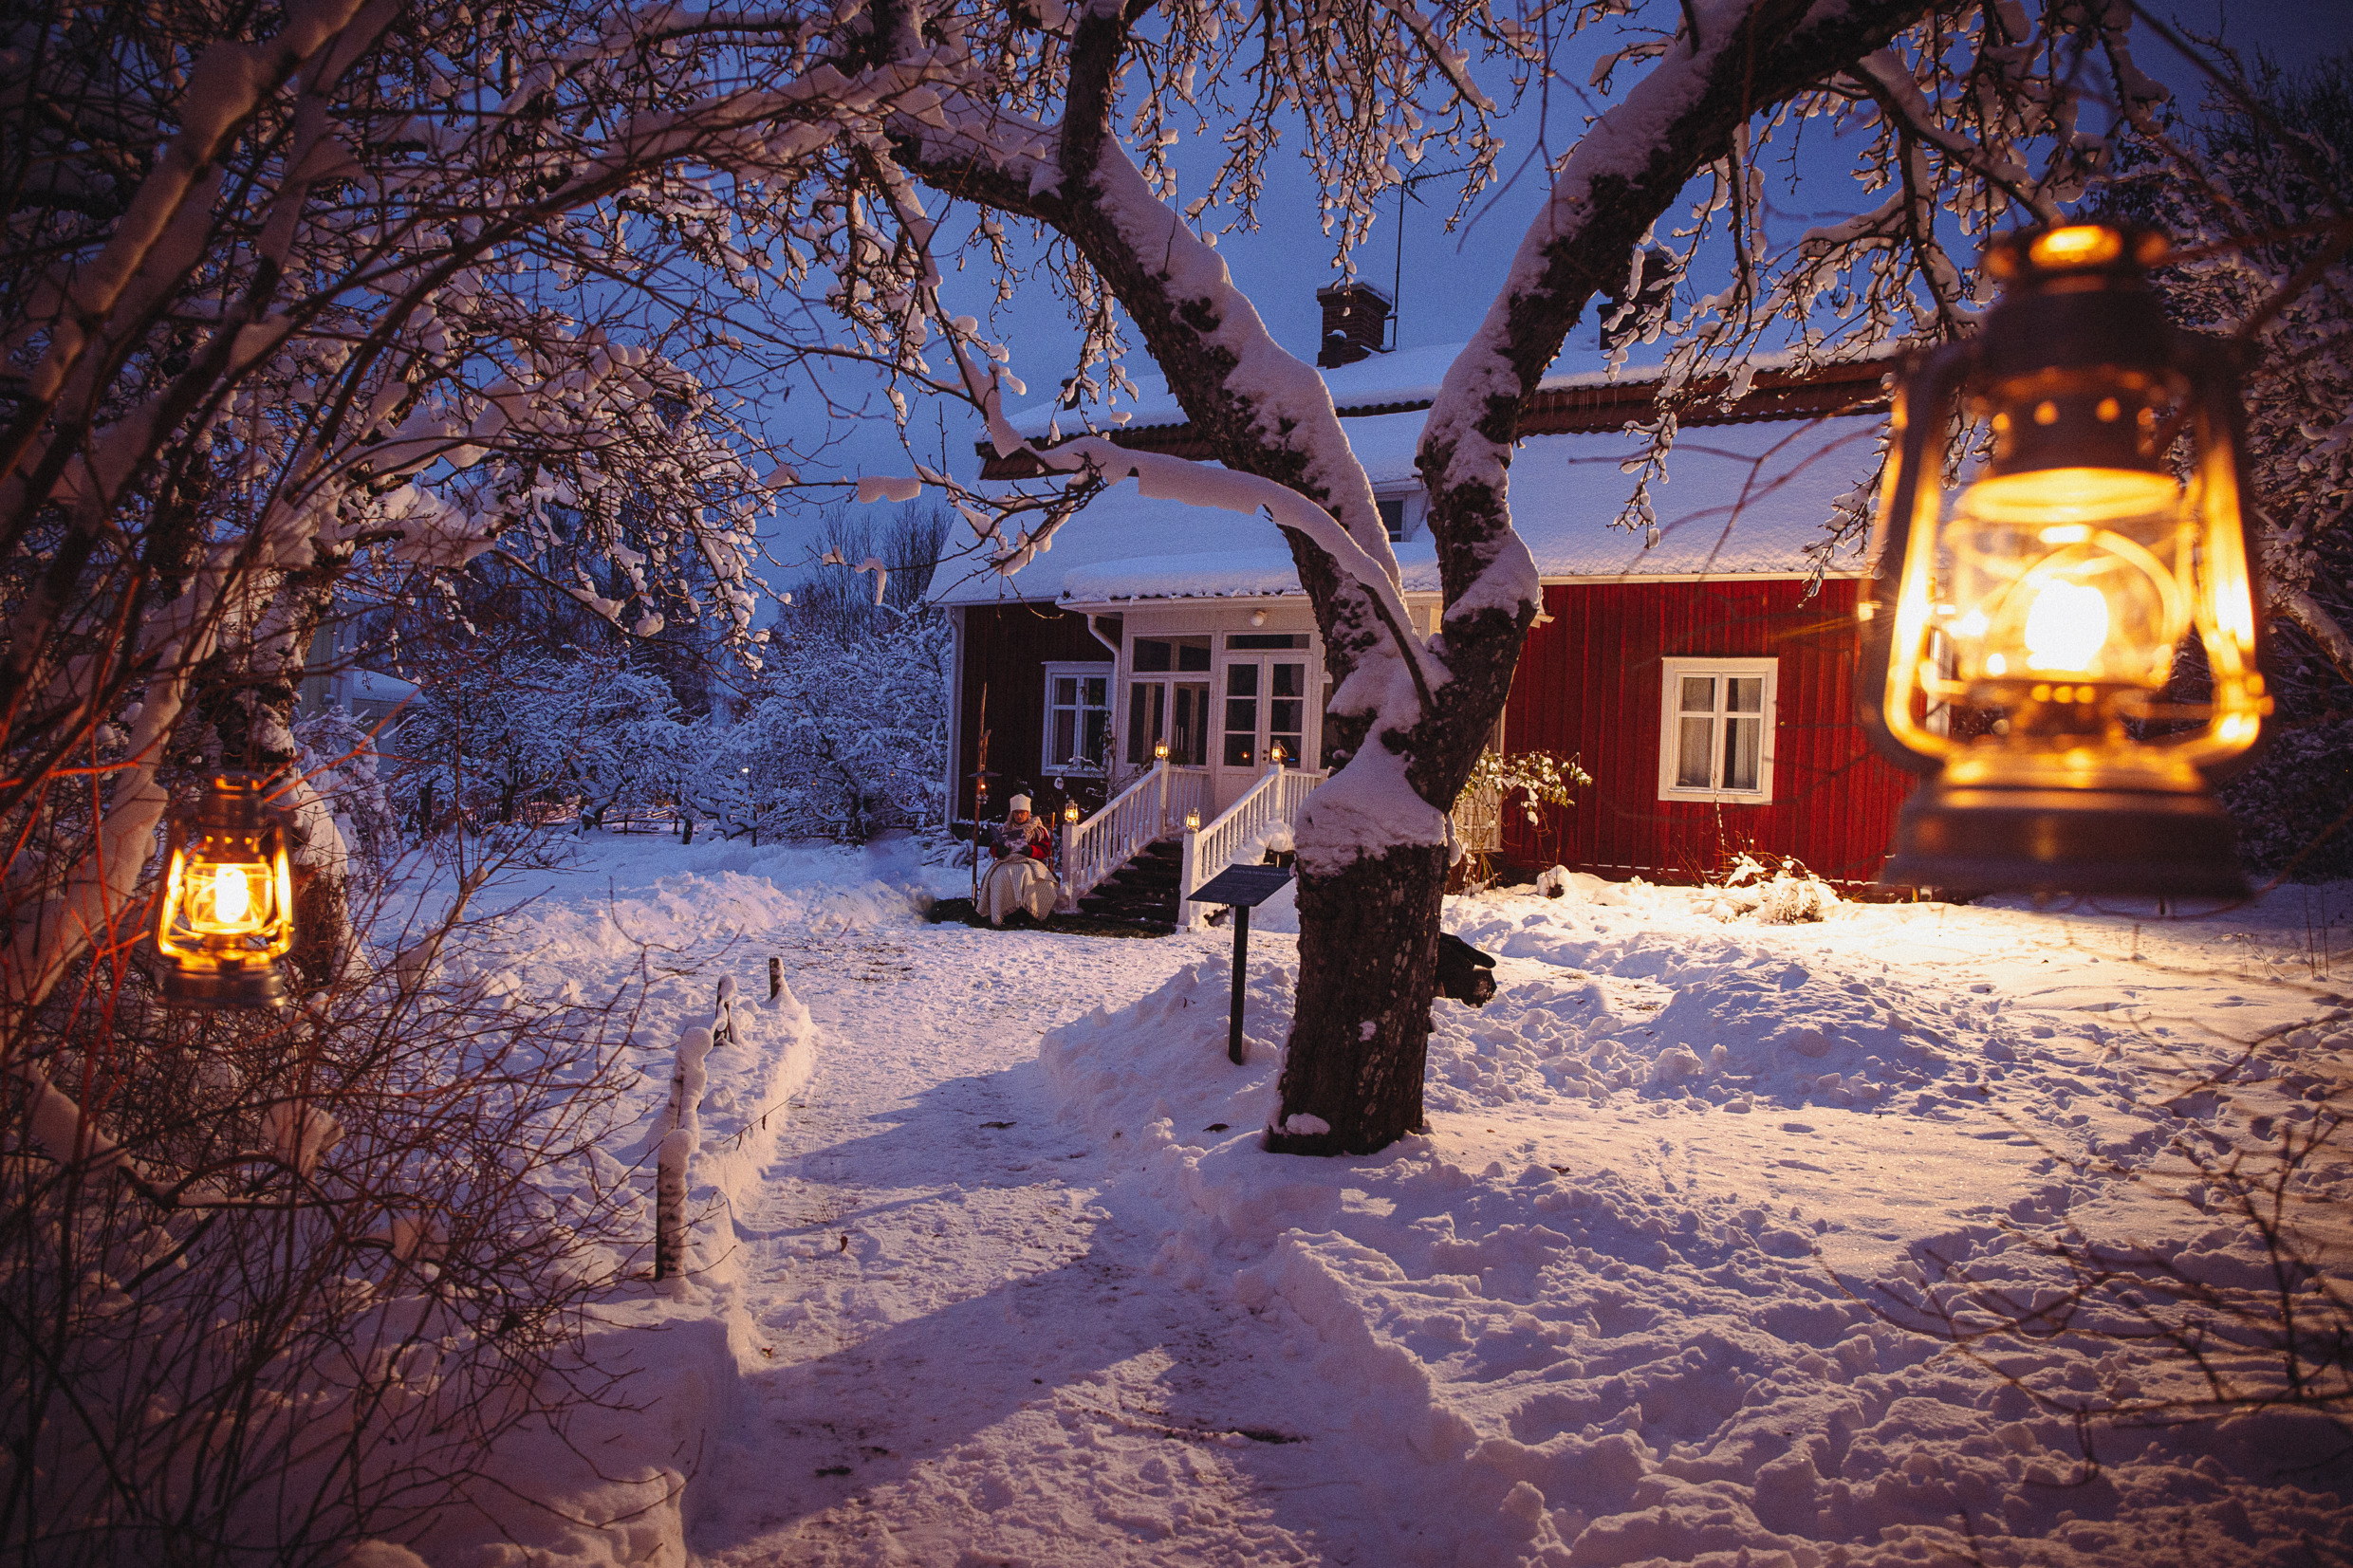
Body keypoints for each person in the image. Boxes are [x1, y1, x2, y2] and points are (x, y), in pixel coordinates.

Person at [978, 795, 1059, 925]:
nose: (1019, 816)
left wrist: (1032, 850)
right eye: (1016, 813)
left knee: (1027, 876)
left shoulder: (1038, 830)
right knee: (998, 877)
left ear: (1028, 813)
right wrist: (1000, 851)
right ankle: (1003, 914)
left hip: (1029, 862)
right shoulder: (1005, 829)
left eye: (1023, 813)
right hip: (1008, 861)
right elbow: (993, 847)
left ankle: (1027, 913)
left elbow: (1045, 850)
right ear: (1012, 814)